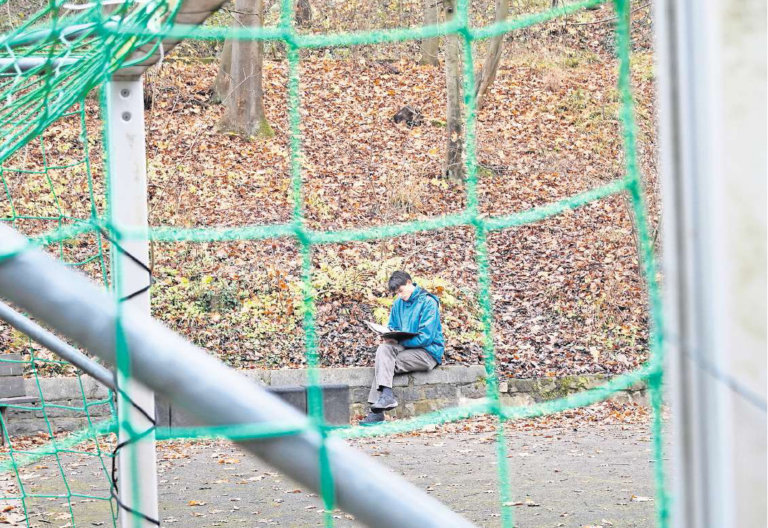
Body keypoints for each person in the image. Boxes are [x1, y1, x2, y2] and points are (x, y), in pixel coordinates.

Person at [360, 271, 444, 425]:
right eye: (396, 293)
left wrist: (401, 342)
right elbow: (393, 326)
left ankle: (376, 412)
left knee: (383, 365)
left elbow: (426, 337)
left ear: (409, 282)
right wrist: (389, 336)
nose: (399, 295)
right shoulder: (398, 303)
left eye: (401, 291)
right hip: (406, 347)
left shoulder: (428, 302)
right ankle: (387, 396)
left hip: (428, 352)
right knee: (383, 350)